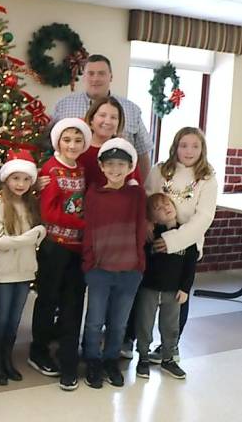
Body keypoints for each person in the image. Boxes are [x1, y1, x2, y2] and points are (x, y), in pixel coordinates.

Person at [144, 127, 218, 362]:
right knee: (147, 290)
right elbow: (147, 197)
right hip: (154, 243)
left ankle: (170, 345)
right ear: (175, 146)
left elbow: (204, 217)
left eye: (195, 146)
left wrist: (173, 240)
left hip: (186, 244)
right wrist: (148, 226)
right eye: (184, 145)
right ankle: (135, 338)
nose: (189, 151)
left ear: (202, 149)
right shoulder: (160, 170)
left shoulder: (207, 178)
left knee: (178, 295)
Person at [29, 118, 91, 391]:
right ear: (58, 141)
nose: (72, 145)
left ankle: (67, 353)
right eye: (67, 140)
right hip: (55, 246)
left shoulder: (82, 169)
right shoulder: (51, 169)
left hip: (77, 248)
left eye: (78, 141)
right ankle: (38, 350)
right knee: (48, 298)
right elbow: (50, 213)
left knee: (72, 301)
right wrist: (84, 225)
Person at [81, 138, 146, 389]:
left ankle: (111, 360)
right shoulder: (95, 194)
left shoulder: (137, 194)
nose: (115, 170)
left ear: (130, 167)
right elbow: (88, 230)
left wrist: (139, 263)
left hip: (129, 270)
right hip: (99, 270)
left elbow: (141, 228)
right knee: (95, 320)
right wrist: (89, 262)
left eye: (121, 164)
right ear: (101, 166)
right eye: (110, 164)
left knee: (118, 322)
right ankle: (92, 361)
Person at [0, 150, 46, 386]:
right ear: (6, 180)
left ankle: (7, 359)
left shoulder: (31, 205)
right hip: (4, 272)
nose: (20, 184)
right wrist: (30, 237)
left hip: (25, 271)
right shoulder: (1, 205)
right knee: (1, 319)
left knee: (14, 320)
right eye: (15, 178)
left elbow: (37, 236)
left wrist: (38, 235)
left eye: (25, 179)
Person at [52, 54, 153, 178]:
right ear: (83, 76)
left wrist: (139, 187)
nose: (95, 79)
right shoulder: (63, 106)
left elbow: (142, 154)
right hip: (72, 184)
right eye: (91, 73)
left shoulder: (132, 109)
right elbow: (50, 148)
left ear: (111, 77)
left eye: (101, 73)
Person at [135, 193, 196, 380]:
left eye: (167, 203)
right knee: (144, 323)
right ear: (152, 217)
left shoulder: (186, 235)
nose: (165, 208)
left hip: (173, 291)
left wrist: (185, 289)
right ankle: (143, 358)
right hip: (149, 288)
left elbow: (190, 266)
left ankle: (168, 358)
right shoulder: (151, 234)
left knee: (170, 325)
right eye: (158, 208)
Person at [79, 96, 142, 188]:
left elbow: (135, 188)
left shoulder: (125, 150)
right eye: (102, 115)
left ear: (119, 123)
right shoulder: (78, 149)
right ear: (91, 119)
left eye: (113, 117)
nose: (107, 121)